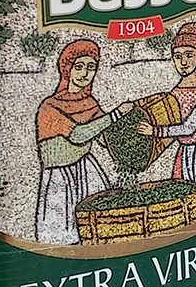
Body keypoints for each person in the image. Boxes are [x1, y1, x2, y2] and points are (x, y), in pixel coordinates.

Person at [35, 39, 132, 244]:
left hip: (87, 169)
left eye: (91, 67)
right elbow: (79, 135)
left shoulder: (89, 103)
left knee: (98, 223)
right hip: (60, 174)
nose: (85, 73)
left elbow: (106, 136)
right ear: (67, 69)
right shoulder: (49, 107)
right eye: (78, 67)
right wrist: (115, 115)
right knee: (64, 231)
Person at [138, 22, 196, 214]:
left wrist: (154, 131)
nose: (183, 62)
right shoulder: (174, 93)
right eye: (178, 57)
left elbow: (189, 127)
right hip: (184, 155)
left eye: (189, 55)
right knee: (185, 208)